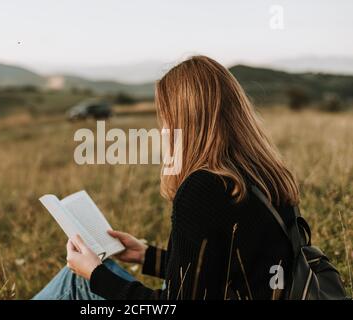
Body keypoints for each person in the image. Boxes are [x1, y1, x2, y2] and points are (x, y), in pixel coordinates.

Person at [33, 55, 299, 300]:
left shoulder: (202, 188)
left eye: (165, 118)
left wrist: (95, 276)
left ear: (185, 121)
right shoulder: (266, 174)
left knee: (77, 280)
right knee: (95, 271)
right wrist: (146, 256)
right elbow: (220, 274)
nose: (162, 129)